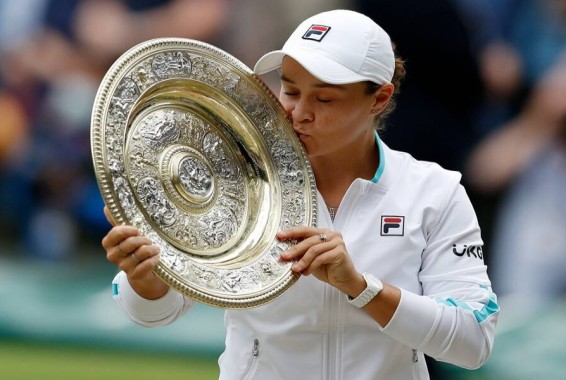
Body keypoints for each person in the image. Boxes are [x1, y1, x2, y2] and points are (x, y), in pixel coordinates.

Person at [101, 9, 499, 379]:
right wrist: (146, 278)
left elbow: (473, 342)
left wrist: (360, 288)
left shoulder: (434, 191)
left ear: (378, 98)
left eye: (324, 98)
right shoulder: (234, 181)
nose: (299, 113)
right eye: (290, 91)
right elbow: (153, 313)